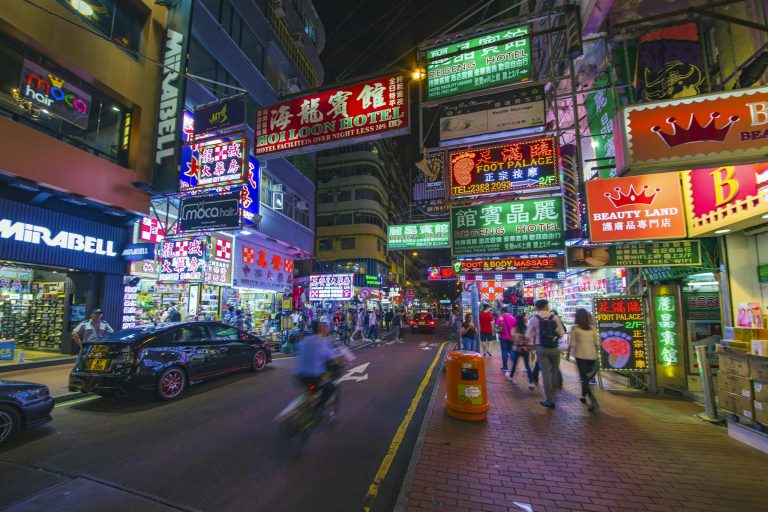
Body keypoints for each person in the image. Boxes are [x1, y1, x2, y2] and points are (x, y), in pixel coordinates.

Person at [526, 299, 565, 409]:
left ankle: (549, 399)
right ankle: (554, 395)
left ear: (536, 308)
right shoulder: (555, 317)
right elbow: (562, 333)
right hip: (554, 347)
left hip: (541, 348)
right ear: (546, 306)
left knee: (545, 373)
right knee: (555, 371)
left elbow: (528, 335)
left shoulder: (534, 319)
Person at [294, 334, 340, 410]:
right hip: (315, 376)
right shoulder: (321, 343)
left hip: (300, 376)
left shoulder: (303, 342)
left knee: (311, 389)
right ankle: (320, 407)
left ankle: (310, 403)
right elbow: (332, 357)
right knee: (330, 388)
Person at [568, 308, 600, 411]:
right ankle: (583, 395)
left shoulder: (575, 328)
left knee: (584, 378)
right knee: (586, 378)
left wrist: (568, 352)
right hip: (592, 356)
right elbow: (597, 343)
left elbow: (572, 343)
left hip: (580, 355)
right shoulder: (592, 328)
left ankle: (592, 399)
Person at [508, 314, 534, 389]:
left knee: (515, 364)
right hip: (525, 349)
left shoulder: (515, 328)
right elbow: (529, 338)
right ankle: (531, 382)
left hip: (517, 349)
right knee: (527, 365)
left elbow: (512, 338)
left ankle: (511, 376)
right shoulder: (526, 328)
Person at [496, 307, 517, 373]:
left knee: (504, 352)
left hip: (503, 337)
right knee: (512, 351)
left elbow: (497, 327)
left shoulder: (500, 318)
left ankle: (505, 367)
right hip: (512, 338)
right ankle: (514, 366)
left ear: (502, 311)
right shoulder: (513, 318)